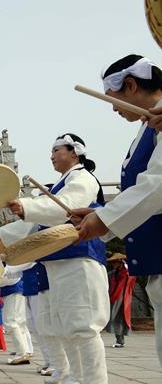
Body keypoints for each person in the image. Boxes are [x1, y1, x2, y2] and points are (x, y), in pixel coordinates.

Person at [73, 55, 162, 367]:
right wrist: (103, 217)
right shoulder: (149, 127)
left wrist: (105, 219)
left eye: (113, 100)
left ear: (131, 84)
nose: (112, 108)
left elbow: (159, 183)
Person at [0, 133, 109, 383]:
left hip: (80, 259)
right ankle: (75, 378)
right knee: (65, 329)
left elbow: (67, 206)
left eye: (56, 150)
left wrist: (26, 206)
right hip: (57, 263)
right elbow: (37, 225)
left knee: (83, 328)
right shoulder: (61, 183)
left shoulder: (82, 178)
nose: (51, 156)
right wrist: (0, 235)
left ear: (74, 152)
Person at [106, 253, 136, 348]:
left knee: (118, 318)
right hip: (114, 297)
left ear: (120, 263)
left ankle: (120, 341)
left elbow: (131, 282)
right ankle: (119, 340)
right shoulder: (113, 274)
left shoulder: (127, 273)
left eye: (115, 263)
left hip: (122, 298)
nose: (113, 265)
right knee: (114, 318)